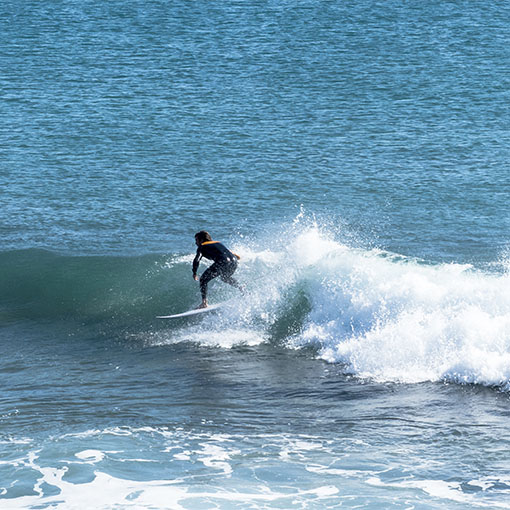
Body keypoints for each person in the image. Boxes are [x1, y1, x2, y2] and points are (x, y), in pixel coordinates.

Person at [192, 231, 243, 308]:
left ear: (201, 240)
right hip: (234, 262)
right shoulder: (218, 243)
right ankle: (242, 288)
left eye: (196, 240)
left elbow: (197, 259)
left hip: (223, 262)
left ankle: (204, 303)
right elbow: (231, 253)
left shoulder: (202, 246)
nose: (196, 243)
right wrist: (236, 257)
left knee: (203, 279)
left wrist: (194, 272)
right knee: (225, 278)